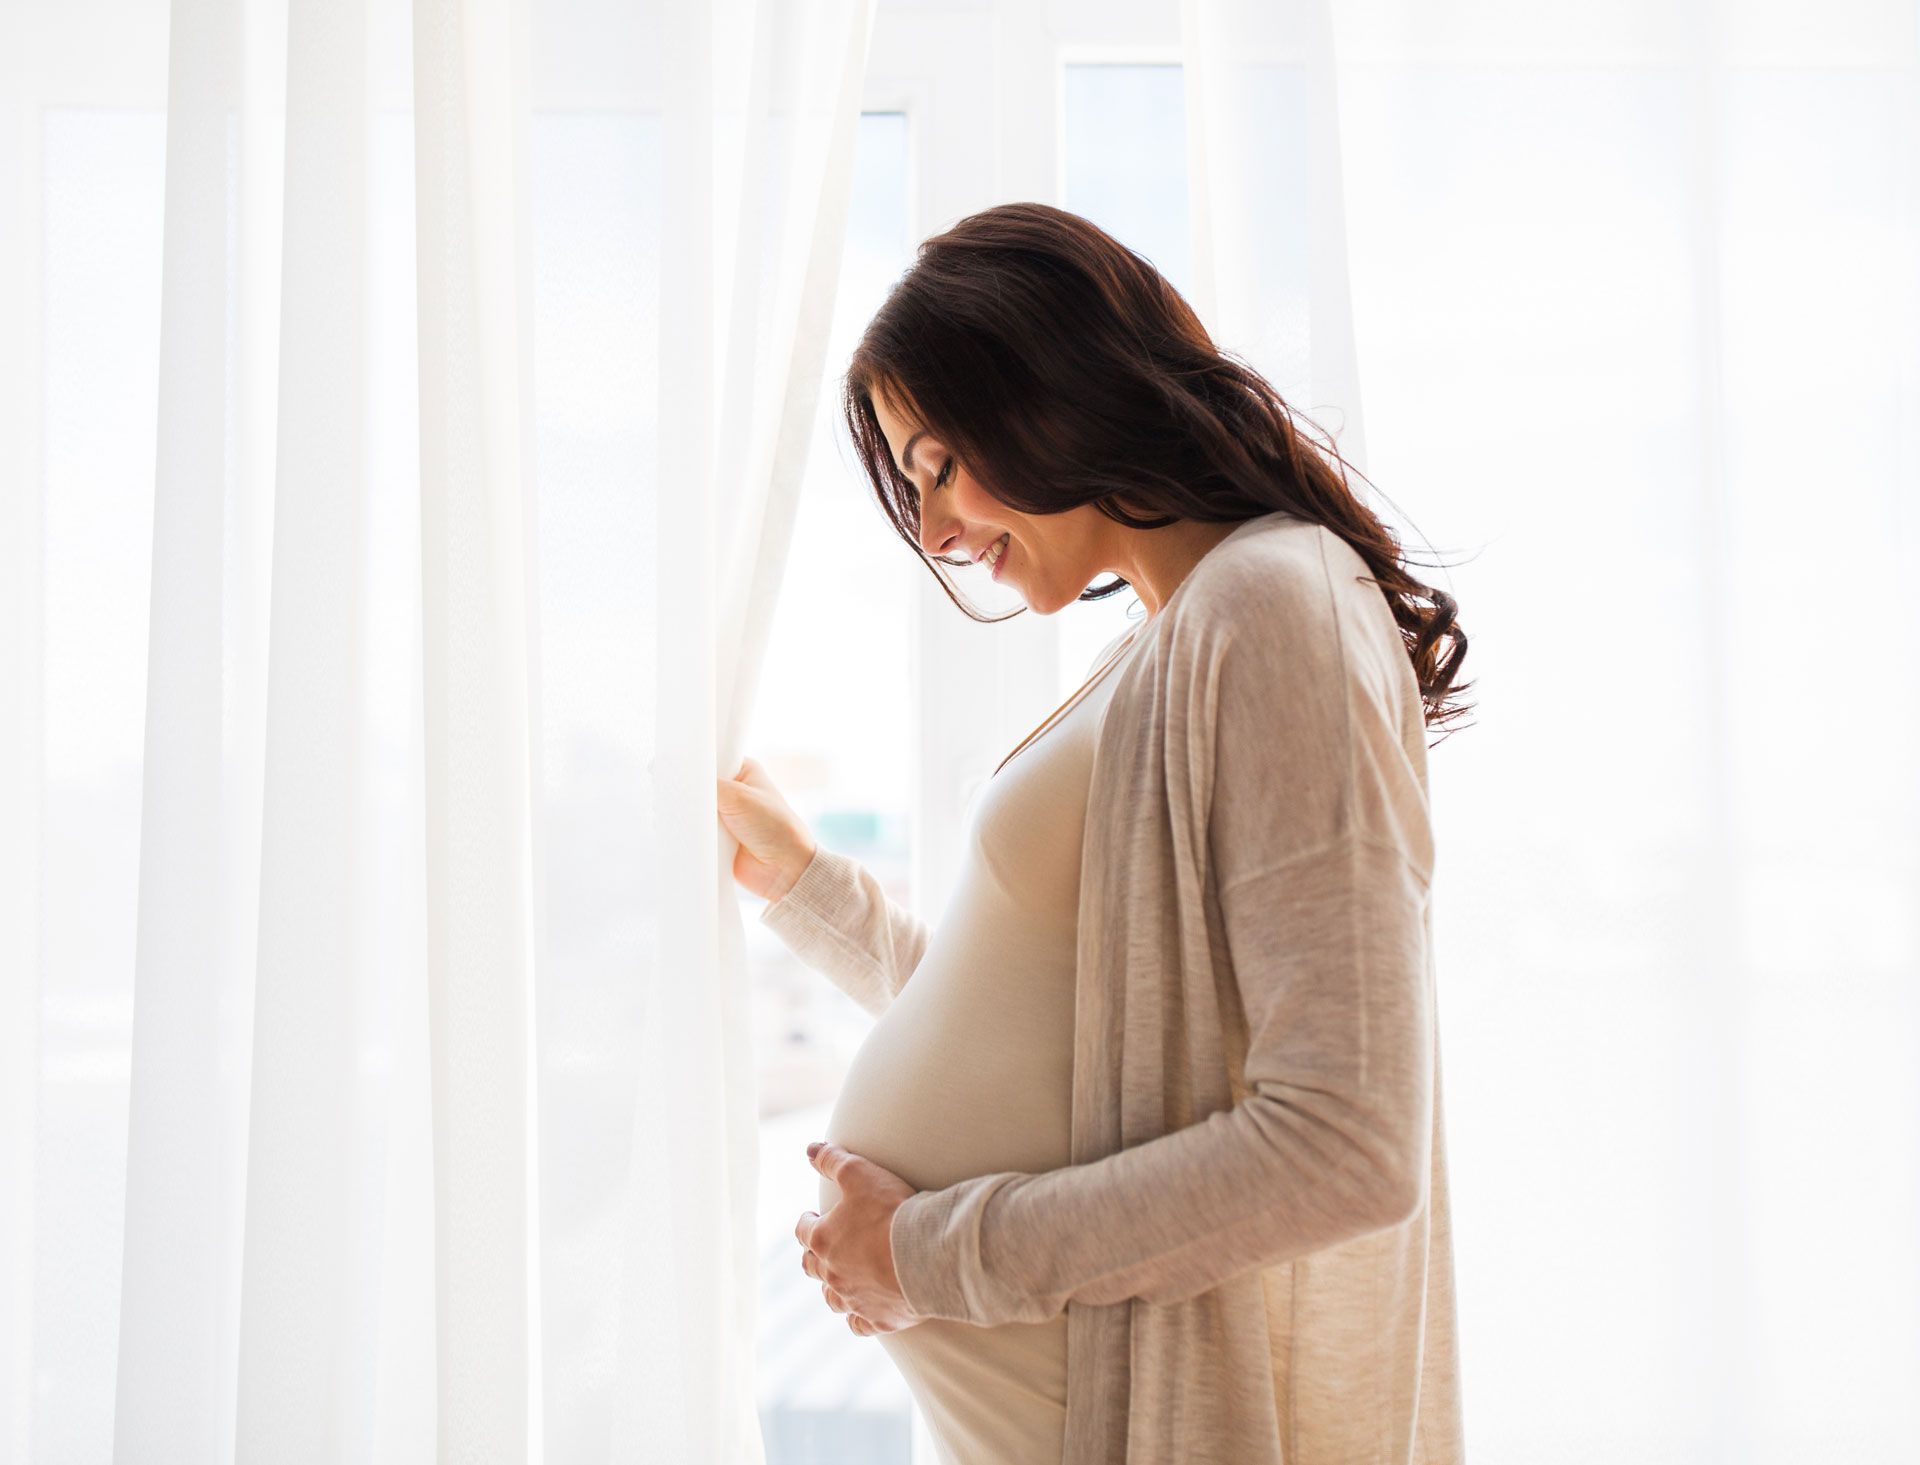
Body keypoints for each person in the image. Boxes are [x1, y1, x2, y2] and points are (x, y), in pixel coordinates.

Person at [714, 201, 1473, 1465]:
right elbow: (1075, 1042)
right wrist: (806, 889)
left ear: (1050, 389)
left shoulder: (1274, 608)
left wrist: (924, 1255)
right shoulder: (1177, 636)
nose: (936, 534)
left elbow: (1347, 1144)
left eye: (938, 465)